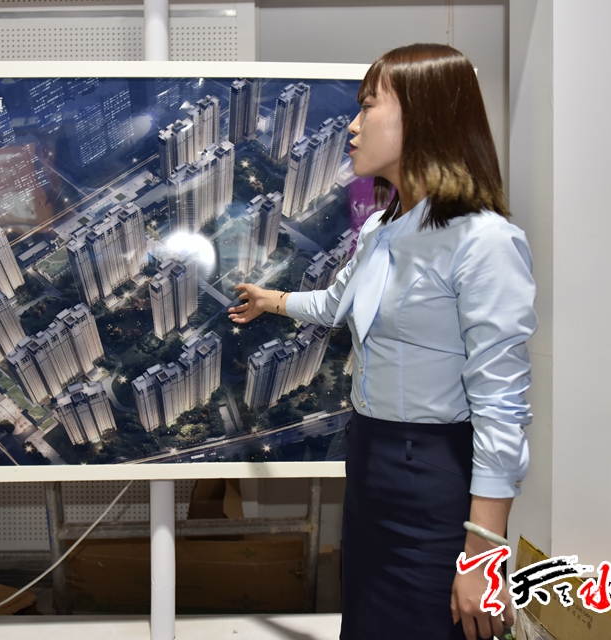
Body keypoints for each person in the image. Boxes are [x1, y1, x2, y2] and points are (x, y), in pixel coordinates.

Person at [228, 43, 536, 640]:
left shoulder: (485, 242)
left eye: (369, 105)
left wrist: (484, 555)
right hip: (370, 464)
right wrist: (273, 301)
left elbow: (501, 405)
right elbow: (336, 304)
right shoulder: (380, 228)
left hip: (435, 479)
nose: (353, 124)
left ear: (423, 117)